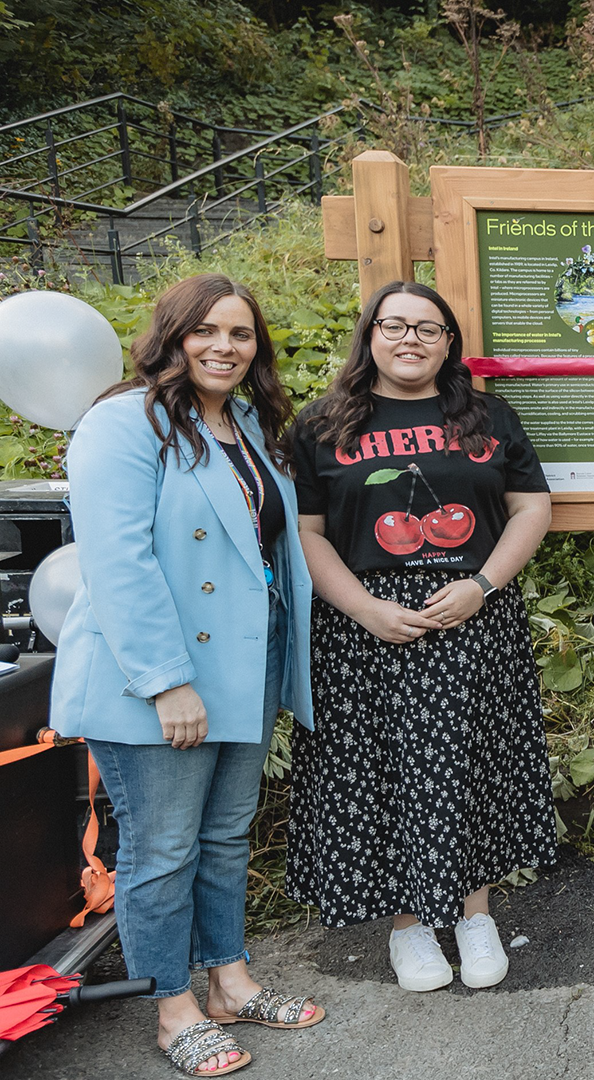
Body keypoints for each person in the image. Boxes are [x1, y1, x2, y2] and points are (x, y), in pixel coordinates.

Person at [53, 273, 321, 1077]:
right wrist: (168, 681)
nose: (223, 347)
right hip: (157, 677)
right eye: (205, 331)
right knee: (162, 849)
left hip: (244, 667)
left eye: (240, 335)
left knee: (222, 838)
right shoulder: (121, 424)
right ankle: (173, 1007)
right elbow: (119, 562)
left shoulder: (243, 422)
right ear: (170, 337)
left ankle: (230, 981)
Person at [285, 281, 556, 993]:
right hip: (365, 629)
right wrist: (364, 608)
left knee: (472, 763)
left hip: (473, 618)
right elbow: (306, 535)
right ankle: (410, 928)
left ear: (448, 342)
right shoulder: (322, 425)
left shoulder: (487, 416)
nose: (411, 339)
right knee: (383, 774)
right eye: (395, 325)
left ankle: (474, 915)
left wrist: (483, 586)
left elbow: (531, 504)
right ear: (369, 334)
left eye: (428, 328)